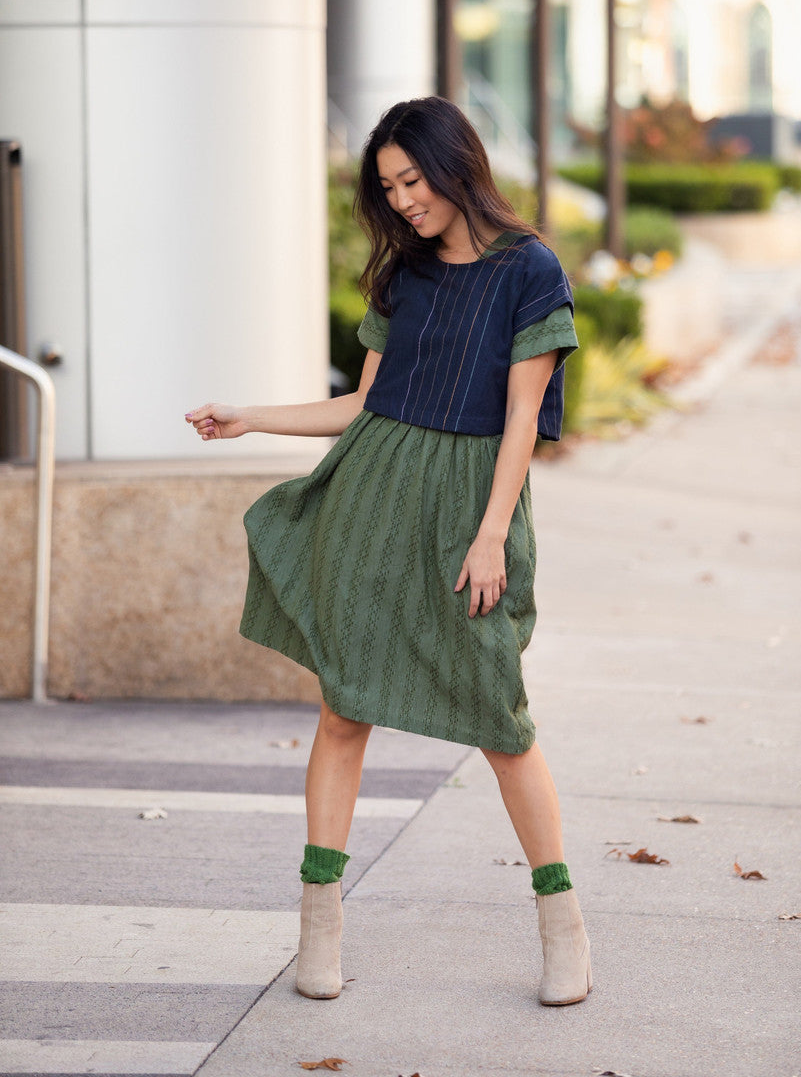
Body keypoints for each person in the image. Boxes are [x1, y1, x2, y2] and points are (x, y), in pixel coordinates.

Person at [185, 96, 592, 1006]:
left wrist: (491, 535)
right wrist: (250, 414)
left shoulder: (529, 269)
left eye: (412, 180)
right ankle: (319, 929)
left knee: (501, 721)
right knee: (342, 710)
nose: (402, 201)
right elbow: (359, 407)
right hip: (373, 499)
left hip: (467, 515)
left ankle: (561, 925)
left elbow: (523, 416)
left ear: (456, 165)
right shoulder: (403, 277)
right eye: (387, 187)